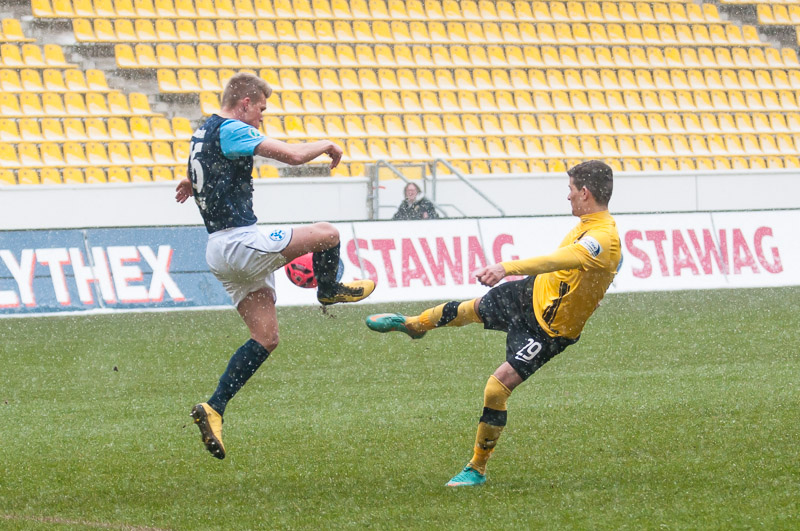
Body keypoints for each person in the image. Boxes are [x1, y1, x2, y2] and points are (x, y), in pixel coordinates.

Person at [366, 160, 620, 486]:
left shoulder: (603, 237)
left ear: (584, 192)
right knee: (469, 308)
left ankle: (477, 468)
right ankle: (414, 325)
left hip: (549, 331)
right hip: (531, 293)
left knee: (496, 389)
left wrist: (505, 267)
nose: (567, 196)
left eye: (570, 189)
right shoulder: (590, 224)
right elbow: (594, 267)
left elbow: (561, 259)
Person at [175, 72, 375, 460]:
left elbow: (207, 164)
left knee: (266, 337)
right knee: (328, 233)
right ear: (245, 103)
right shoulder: (234, 128)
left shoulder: (204, 130)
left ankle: (214, 407)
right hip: (239, 242)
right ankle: (328, 288)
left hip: (218, 251)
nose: (262, 117)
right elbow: (295, 156)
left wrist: (190, 182)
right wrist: (327, 144)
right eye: (261, 109)